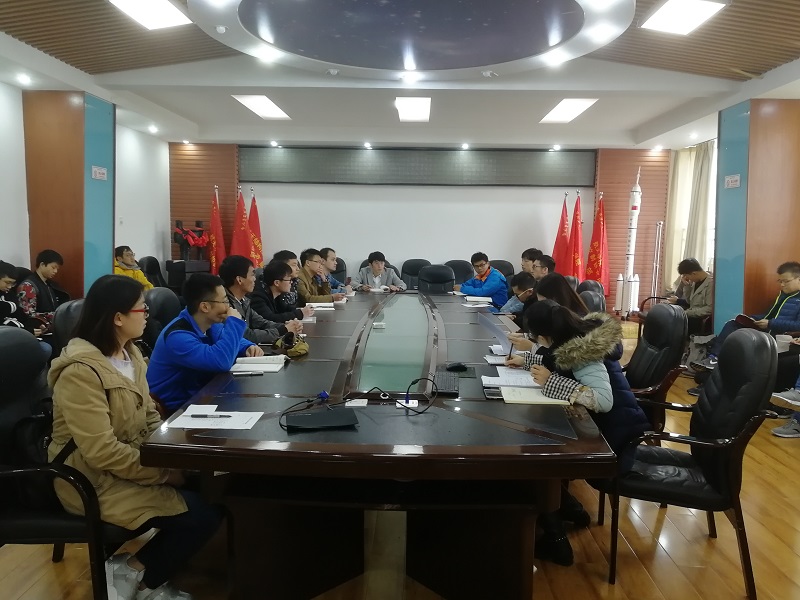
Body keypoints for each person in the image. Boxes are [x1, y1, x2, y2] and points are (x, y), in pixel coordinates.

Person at [48, 274, 222, 600]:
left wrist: (177, 455)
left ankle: (143, 573)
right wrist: (164, 473)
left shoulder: (131, 355)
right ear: (118, 318)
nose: (148, 317)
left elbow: (149, 418)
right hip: (90, 481)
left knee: (213, 487)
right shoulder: (80, 372)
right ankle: (135, 574)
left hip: (126, 467)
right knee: (202, 514)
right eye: (143, 310)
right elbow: (101, 451)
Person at [506, 300, 650, 565]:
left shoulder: (585, 353)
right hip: (597, 428)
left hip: (613, 440)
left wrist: (551, 381)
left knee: (533, 454)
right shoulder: (571, 342)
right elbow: (556, 359)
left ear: (547, 334)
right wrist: (526, 361)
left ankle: (556, 541)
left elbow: (603, 401)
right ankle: (569, 508)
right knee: (537, 440)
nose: (537, 342)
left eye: (537, 337)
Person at [147, 273, 263, 415]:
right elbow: (221, 361)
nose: (228, 307)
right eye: (225, 301)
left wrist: (247, 346)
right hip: (175, 410)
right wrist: (234, 323)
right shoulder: (177, 337)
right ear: (205, 307)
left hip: (202, 397)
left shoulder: (208, 323)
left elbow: (225, 337)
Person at [693, 261, 800, 371]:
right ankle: (714, 358)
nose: (782, 285)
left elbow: (798, 325)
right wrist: (753, 319)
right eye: (780, 281)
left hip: (780, 337)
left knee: (740, 339)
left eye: (786, 281)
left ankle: (717, 362)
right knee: (733, 324)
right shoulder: (783, 296)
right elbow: (769, 315)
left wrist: (770, 323)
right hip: (767, 330)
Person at [218, 255, 302, 345]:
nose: (255, 279)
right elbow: (248, 335)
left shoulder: (244, 301)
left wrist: (288, 326)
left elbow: (262, 323)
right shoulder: (225, 305)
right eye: (252, 275)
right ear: (239, 280)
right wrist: (284, 330)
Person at [0, 260, 52, 360]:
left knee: (46, 347)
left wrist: (34, 325)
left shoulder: (8, 294)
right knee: (44, 349)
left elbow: (20, 314)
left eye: (12, 284)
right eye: (7, 282)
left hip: (17, 332)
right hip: (7, 337)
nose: (9, 287)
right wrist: (26, 331)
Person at [17, 249, 70, 329]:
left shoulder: (50, 284)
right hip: (40, 328)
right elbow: (28, 314)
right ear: (42, 264)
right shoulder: (27, 286)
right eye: (53, 267)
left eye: (57, 269)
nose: (55, 271)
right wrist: (57, 315)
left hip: (54, 326)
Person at [250, 260, 315, 323]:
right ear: (277, 283)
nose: (291, 282)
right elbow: (270, 318)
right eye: (289, 280)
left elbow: (286, 310)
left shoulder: (278, 295)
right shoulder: (258, 298)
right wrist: (300, 313)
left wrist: (302, 310)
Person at [666, 258, 712, 334]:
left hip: (700, 319)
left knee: (672, 324)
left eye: (686, 276)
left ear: (694, 273)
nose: (687, 278)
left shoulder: (710, 283)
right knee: (666, 317)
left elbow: (709, 309)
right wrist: (686, 286)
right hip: (691, 315)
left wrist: (687, 313)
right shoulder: (695, 281)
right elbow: (689, 301)